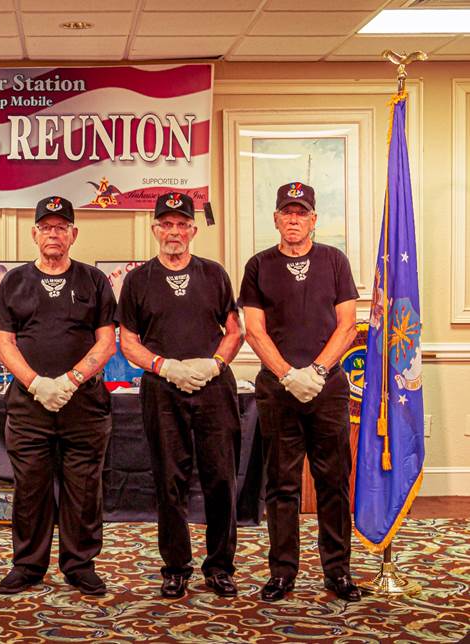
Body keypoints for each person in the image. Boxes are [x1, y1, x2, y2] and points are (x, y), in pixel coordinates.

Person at [118, 192, 244, 599]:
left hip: (213, 387)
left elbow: (235, 330)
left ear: (192, 230)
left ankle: (220, 566)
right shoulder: (138, 279)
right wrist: (164, 366)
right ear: (155, 229)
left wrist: (214, 364)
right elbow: (128, 341)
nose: (174, 231)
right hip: (163, 388)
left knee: (220, 477)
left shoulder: (214, 273)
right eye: (166, 224)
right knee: (168, 479)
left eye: (181, 224)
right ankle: (175, 566)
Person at [240, 181, 360, 602]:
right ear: (275, 218)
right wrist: (289, 374)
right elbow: (253, 330)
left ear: (313, 219)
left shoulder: (334, 261)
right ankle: (282, 572)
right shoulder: (258, 265)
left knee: (333, 481)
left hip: (328, 389)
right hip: (278, 390)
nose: (294, 219)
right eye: (286, 212)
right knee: (281, 484)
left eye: (301, 212)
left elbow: (348, 325)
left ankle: (338, 571)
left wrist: (318, 370)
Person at [0, 196, 117, 596]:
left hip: (83, 406)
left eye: (61, 227)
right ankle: (28, 565)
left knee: (84, 491)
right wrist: (37, 383)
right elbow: (5, 344)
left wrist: (71, 380)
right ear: (35, 234)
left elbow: (106, 342)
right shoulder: (14, 282)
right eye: (46, 227)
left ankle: (80, 565)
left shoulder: (94, 282)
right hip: (30, 408)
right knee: (30, 489)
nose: (53, 234)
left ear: (73, 235)